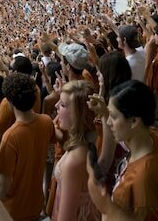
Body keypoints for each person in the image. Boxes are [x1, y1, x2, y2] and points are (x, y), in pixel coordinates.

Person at [86, 80, 158, 221]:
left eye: (113, 116)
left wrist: (103, 205)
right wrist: (105, 113)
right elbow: (123, 139)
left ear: (134, 121)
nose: (108, 122)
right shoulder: (152, 135)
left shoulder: (141, 183)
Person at [0, 72, 55, 221]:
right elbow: (50, 155)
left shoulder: (10, 136)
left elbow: (4, 183)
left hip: (13, 210)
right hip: (36, 203)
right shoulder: (47, 121)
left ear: (9, 102)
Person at [51, 80, 100, 221]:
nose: (56, 106)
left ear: (78, 114)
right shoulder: (87, 141)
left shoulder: (74, 161)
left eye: (62, 105)